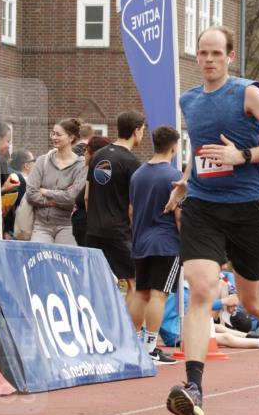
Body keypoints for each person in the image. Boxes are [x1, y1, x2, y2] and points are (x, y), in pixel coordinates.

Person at [163, 26, 259, 415]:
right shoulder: (188, 100)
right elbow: (201, 150)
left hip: (247, 208)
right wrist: (188, 180)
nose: (208, 60)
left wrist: (243, 155)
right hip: (203, 206)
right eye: (202, 53)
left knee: (252, 299)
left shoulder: (247, 93)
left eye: (216, 54)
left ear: (229, 57)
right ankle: (193, 387)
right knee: (202, 288)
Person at [128, 125, 183, 365]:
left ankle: (132, 344)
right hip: (166, 241)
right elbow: (180, 214)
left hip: (141, 239)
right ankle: (150, 347)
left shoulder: (138, 174)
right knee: (159, 295)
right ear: (174, 147)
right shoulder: (174, 177)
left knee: (141, 292)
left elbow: (131, 211)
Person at [85, 110, 145, 303]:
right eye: (143, 130)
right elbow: (132, 207)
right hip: (118, 232)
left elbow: (87, 197)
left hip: (93, 230)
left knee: (97, 283)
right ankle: (131, 331)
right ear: (136, 131)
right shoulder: (131, 162)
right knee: (136, 282)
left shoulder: (97, 155)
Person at [26, 117, 87, 246]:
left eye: (58, 134)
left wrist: (45, 191)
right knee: (40, 263)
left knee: (65, 264)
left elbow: (72, 198)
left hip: (67, 226)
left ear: (71, 138)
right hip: (41, 226)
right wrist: (57, 200)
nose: (54, 137)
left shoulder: (81, 166)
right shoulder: (42, 161)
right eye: (53, 133)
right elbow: (31, 194)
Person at [71, 135, 110, 247]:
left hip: (89, 231)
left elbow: (87, 198)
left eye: (85, 149)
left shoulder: (97, 173)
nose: (84, 153)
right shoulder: (102, 173)